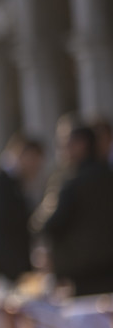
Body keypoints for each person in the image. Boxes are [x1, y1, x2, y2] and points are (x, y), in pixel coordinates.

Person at [39, 123, 113, 296]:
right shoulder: (107, 175)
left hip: (83, 273)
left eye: (66, 144)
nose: (62, 150)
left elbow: (49, 224)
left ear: (81, 144)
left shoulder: (72, 181)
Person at [0, 134, 44, 283]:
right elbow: (5, 222)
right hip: (7, 265)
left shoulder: (14, 181)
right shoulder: (1, 181)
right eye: (34, 160)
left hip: (14, 262)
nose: (37, 167)